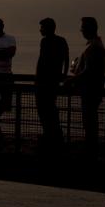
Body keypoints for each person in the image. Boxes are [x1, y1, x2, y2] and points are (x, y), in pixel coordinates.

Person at [66, 16, 105, 154]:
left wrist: (73, 79)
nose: (81, 30)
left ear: (89, 29)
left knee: (89, 121)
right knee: (89, 120)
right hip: (91, 90)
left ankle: (91, 149)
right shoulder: (94, 45)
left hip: (90, 91)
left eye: (83, 27)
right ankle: (91, 147)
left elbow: (89, 71)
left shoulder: (94, 47)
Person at [35, 18, 69, 146]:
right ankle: (50, 133)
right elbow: (65, 59)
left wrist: (64, 75)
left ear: (48, 28)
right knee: (46, 108)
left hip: (48, 81)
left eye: (42, 27)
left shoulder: (55, 41)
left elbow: (65, 59)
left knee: (47, 108)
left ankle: (52, 134)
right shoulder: (47, 41)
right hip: (45, 80)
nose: (40, 30)